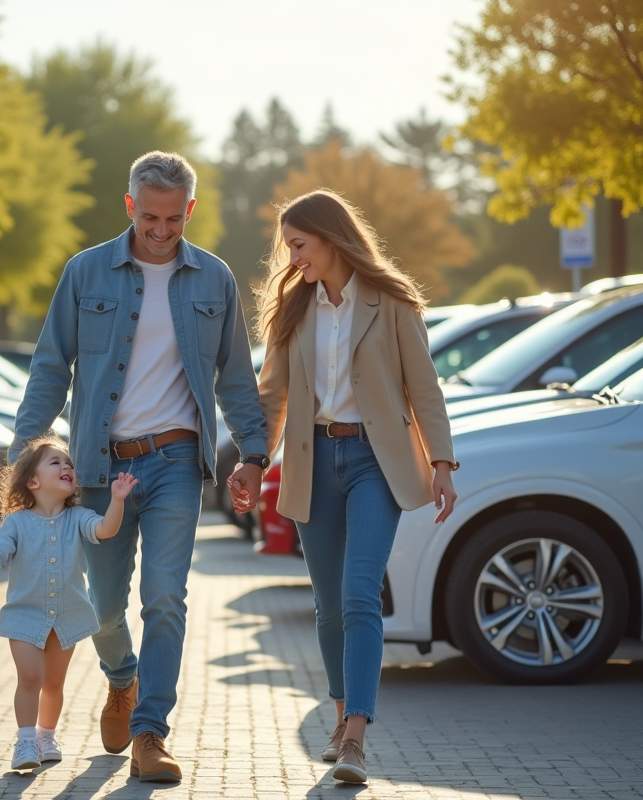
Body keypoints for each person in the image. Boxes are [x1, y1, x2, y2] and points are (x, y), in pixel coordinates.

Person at [12, 151, 270, 783]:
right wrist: (24, 460)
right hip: (101, 467)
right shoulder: (85, 273)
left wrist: (255, 456)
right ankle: (121, 679)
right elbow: (50, 369)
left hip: (177, 459)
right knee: (101, 607)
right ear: (130, 206)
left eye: (174, 219)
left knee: (164, 596)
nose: (161, 231)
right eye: (150, 217)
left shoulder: (214, 279)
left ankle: (151, 732)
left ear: (190, 210)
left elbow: (237, 376)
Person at [246, 189, 458, 784]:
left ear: (331, 239)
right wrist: (254, 460)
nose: (292, 258)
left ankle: (358, 738)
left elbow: (425, 388)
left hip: (375, 460)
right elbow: (274, 395)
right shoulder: (294, 306)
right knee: (330, 604)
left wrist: (442, 462)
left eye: (299, 245)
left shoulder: (391, 301)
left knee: (361, 591)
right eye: (288, 247)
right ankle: (341, 723)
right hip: (314, 461)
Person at [0, 433, 138, 772]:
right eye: (56, 462)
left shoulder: (78, 518)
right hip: (24, 615)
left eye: (69, 464)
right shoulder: (17, 521)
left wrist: (118, 500)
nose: (67, 467)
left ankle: (46, 735)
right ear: (32, 480)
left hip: (66, 615)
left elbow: (106, 530)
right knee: (30, 677)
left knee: (53, 683)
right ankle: (25, 740)